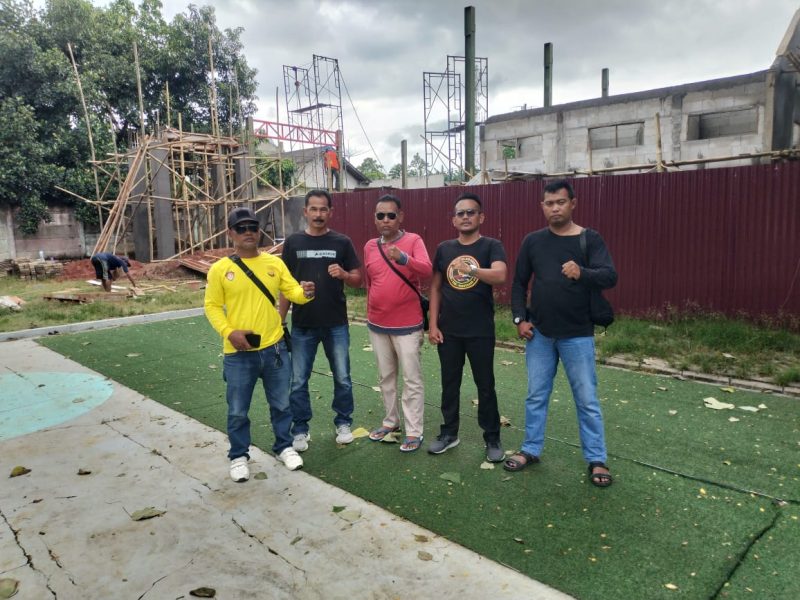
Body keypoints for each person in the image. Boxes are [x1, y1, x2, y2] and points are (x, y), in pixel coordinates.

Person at [506, 179, 617, 487]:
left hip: (578, 334)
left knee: (586, 399)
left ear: (573, 204)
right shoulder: (533, 241)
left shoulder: (589, 239)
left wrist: (582, 272)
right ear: (542, 206)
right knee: (536, 395)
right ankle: (531, 449)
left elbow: (610, 276)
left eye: (561, 202)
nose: (555, 208)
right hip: (539, 334)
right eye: (549, 203)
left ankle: (596, 459)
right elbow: (518, 283)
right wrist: (520, 319)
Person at [205, 206, 315, 482]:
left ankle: (284, 446)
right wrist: (229, 332)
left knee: (281, 404)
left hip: (274, 348)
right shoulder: (220, 269)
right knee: (237, 410)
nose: (248, 232)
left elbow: (292, 292)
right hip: (238, 352)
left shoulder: (274, 264)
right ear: (231, 233)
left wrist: (306, 293)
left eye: (253, 227)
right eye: (241, 228)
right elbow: (212, 306)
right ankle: (239, 455)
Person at [279, 189, 362, 452]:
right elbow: (285, 286)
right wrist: (280, 320)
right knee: (298, 380)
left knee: (343, 377)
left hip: (336, 323)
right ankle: (300, 429)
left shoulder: (342, 242)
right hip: (303, 324)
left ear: (330, 212)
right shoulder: (293, 243)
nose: (318, 214)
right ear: (305, 212)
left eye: (323, 209)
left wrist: (344, 274)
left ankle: (344, 423)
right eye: (313, 209)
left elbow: (358, 279)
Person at [427, 192, 508, 462]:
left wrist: (471, 270)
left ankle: (492, 437)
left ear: (481, 217)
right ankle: (449, 434)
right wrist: (433, 324)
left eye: (471, 212)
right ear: (453, 220)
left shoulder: (491, 245)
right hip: (448, 331)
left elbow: (500, 275)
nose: (465, 217)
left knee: (485, 385)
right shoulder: (444, 249)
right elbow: (435, 288)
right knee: (449, 384)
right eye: (460, 213)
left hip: (480, 331)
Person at [364, 194, 432, 452]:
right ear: (375, 219)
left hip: (407, 324)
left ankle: (414, 431)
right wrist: (371, 311)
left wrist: (404, 258)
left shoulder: (413, 241)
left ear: (400, 217)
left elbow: (427, 270)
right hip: (377, 323)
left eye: (391, 215)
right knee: (386, 377)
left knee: (412, 378)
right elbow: (370, 282)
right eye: (380, 215)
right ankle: (390, 422)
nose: (386, 220)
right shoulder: (370, 246)